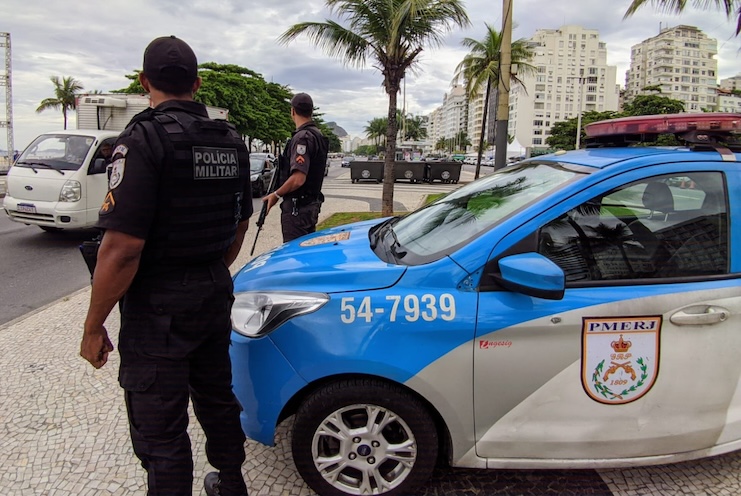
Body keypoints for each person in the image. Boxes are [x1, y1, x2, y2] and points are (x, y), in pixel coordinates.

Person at [79, 35, 252, 496]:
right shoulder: (232, 141)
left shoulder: (142, 139)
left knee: (161, 425)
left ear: (144, 82)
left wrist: (93, 325)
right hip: (214, 290)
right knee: (217, 398)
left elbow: (121, 249)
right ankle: (232, 484)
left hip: (159, 306)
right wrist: (208, 267)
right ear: (197, 84)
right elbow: (239, 226)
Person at [262, 92, 329, 242]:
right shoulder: (317, 135)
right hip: (309, 206)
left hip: (298, 209)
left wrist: (276, 195)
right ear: (311, 111)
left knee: (294, 256)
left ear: (292, 111)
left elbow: (298, 178)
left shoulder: (302, 137)